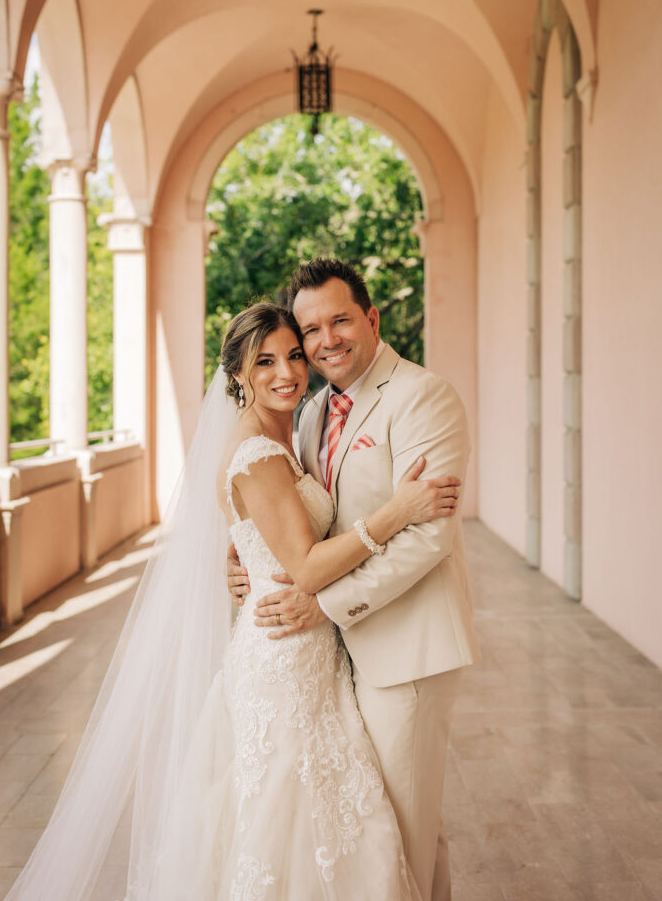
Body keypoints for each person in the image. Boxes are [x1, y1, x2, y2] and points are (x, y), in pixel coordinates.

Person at [4, 301, 456, 901]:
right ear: (237, 374)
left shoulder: (296, 430)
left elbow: (272, 533)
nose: (287, 372)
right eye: (264, 361)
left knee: (311, 813)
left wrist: (241, 548)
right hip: (286, 656)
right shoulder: (257, 453)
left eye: (294, 355)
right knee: (285, 817)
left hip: (306, 650)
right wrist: (397, 511)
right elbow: (306, 565)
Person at [228, 260, 481, 901]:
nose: (324, 340)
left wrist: (325, 604)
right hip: (336, 659)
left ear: (372, 317)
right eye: (310, 329)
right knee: (394, 834)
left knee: (400, 829)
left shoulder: (423, 395)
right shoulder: (310, 412)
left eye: (340, 320)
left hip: (405, 651)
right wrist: (245, 561)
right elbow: (290, 517)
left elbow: (429, 536)